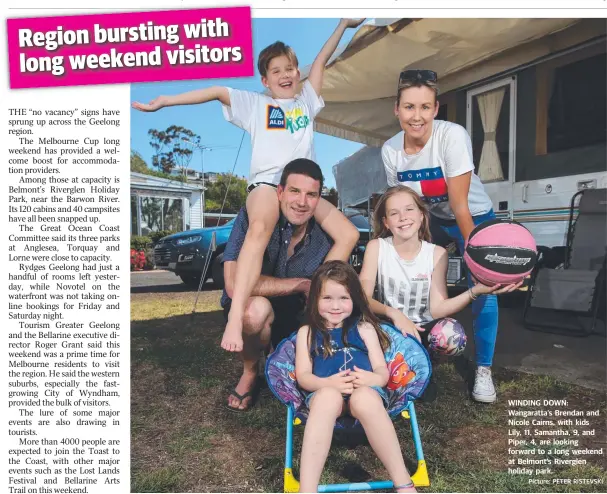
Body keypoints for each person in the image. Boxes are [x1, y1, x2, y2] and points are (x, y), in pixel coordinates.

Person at [133, 20, 363, 355]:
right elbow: (215, 91)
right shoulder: (256, 104)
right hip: (268, 186)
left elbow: (324, 58)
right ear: (265, 80)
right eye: (276, 71)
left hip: (302, 188)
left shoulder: (306, 102)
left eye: (290, 68)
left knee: (349, 234)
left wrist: (343, 24)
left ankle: (318, 294)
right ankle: (235, 317)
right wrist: (165, 101)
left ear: (298, 72)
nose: (285, 75)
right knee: (259, 227)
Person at [380, 69, 520, 403]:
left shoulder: (451, 136)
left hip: (472, 217)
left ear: (436, 109)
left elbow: (459, 206)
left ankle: (483, 370)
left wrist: (483, 263)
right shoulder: (389, 151)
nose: (417, 117)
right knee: (418, 281)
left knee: (484, 289)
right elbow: (404, 206)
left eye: (425, 107)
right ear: (396, 110)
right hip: (430, 220)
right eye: (410, 107)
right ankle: (418, 353)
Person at [221, 158, 344, 411]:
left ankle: (285, 356)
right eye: (295, 191)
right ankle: (250, 371)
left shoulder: (324, 237)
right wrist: (300, 284)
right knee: (254, 313)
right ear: (280, 192)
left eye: (311, 195)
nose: (302, 202)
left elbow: (347, 242)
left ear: (319, 199)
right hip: (254, 306)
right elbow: (233, 286)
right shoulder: (253, 218)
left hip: (293, 313)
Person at [295, 260, 416, 493]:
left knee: (365, 398)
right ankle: (307, 489)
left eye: (344, 298)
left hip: (365, 391)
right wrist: (327, 383)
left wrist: (373, 379)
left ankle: (404, 483)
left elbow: (382, 371)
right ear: (314, 300)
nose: (336, 306)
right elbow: (303, 376)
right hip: (327, 393)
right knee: (327, 398)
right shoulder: (307, 333)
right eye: (327, 298)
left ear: (355, 299)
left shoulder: (364, 329)